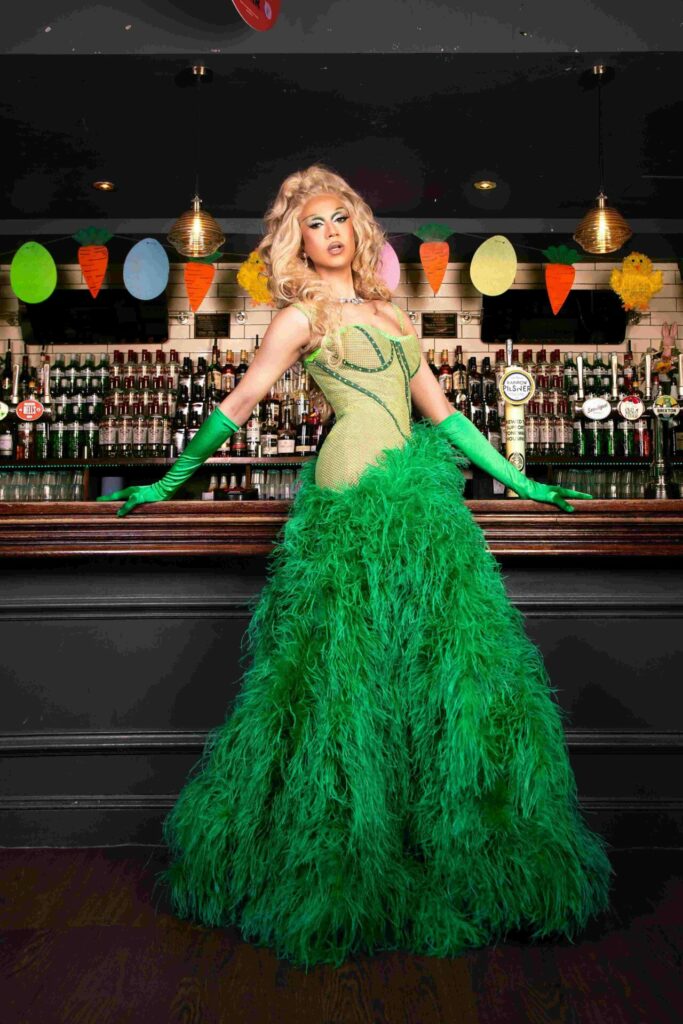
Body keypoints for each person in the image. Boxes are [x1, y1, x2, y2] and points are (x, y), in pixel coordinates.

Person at [98, 164, 614, 970]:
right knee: (342, 680)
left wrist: (519, 479)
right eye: (314, 223)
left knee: (434, 672)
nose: (331, 232)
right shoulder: (297, 317)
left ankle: (443, 840)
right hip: (346, 499)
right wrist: (169, 476)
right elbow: (240, 402)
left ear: (357, 229)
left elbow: (442, 416)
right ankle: (341, 847)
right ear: (295, 240)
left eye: (341, 218)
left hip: (422, 505)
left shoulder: (389, 312)